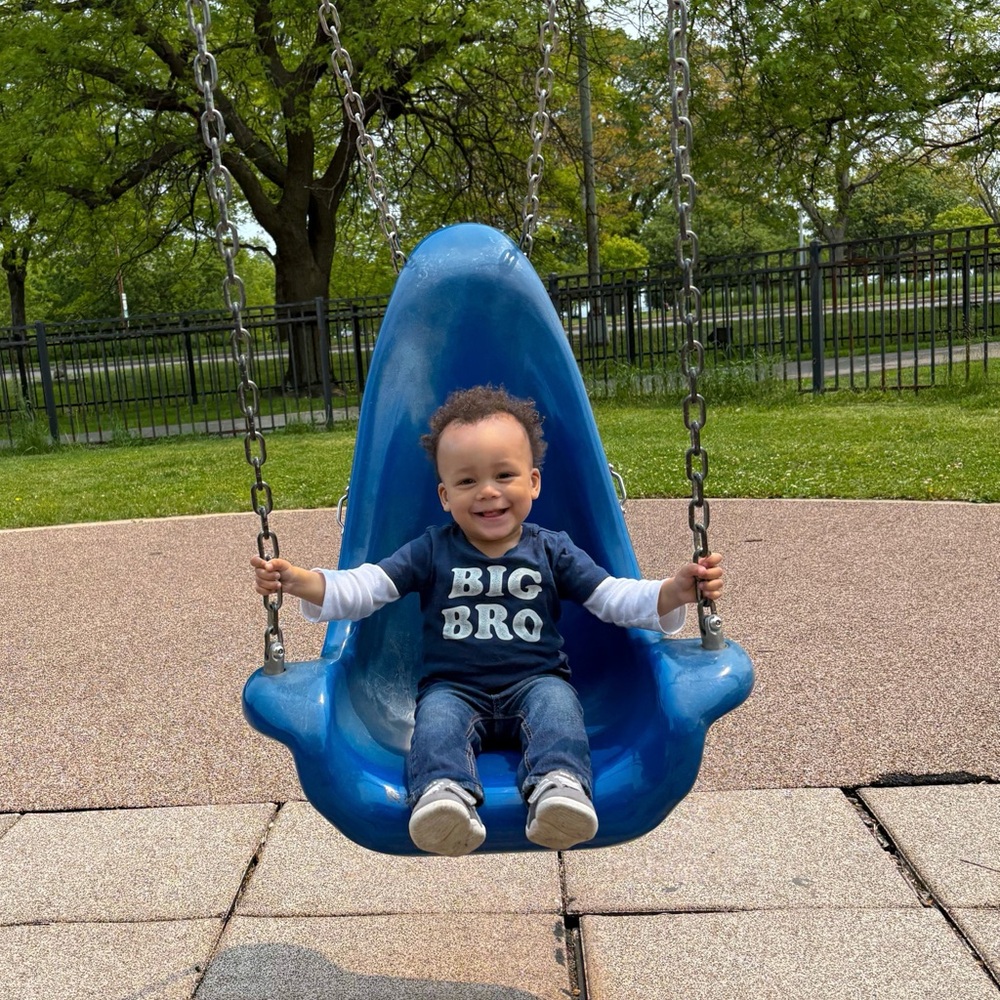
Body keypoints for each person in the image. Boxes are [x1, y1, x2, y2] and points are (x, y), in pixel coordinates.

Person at [251, 385, 723, 856]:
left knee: (560, 710)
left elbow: (612, 596)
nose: (488, 492)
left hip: (536, 680)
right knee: (434, 724)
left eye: (504, 475)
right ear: (444, 495)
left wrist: (672, 593)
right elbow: (366, 588)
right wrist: (301, 581)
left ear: (533, 483)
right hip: (454, 687)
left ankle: (558, 791)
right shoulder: (431, 550)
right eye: (467, 482)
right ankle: (443, 799)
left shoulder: (550, 548)